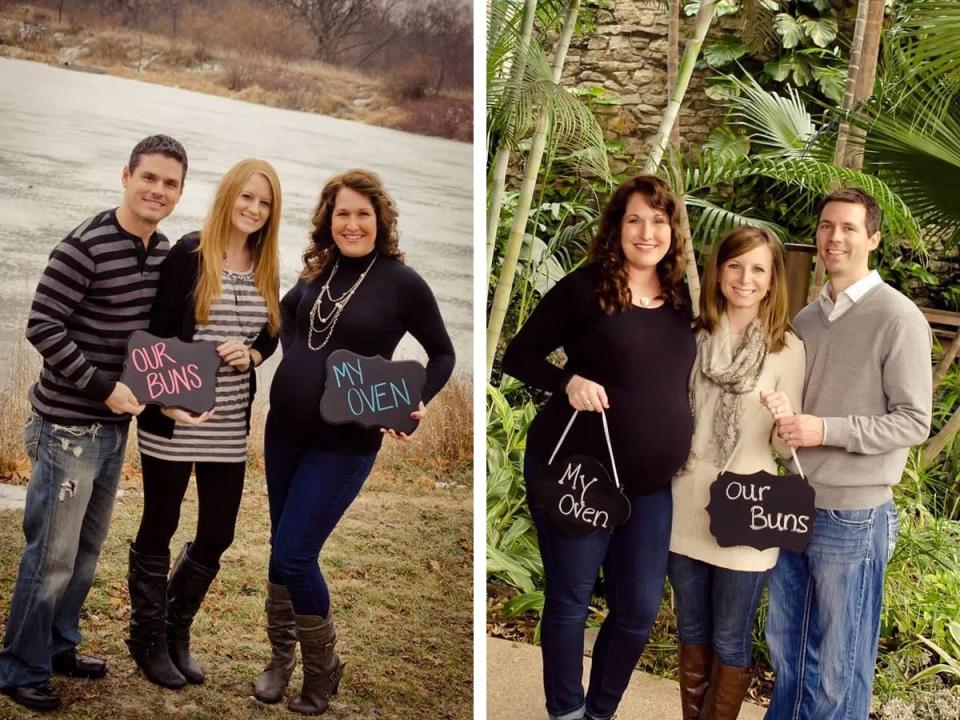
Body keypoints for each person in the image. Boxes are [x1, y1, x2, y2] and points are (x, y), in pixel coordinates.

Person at [254, 169, 455, 715]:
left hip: (344, 445)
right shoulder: (319, 269)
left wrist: (418, 398)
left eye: (363, 213)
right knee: (280, 548)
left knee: (296, 554)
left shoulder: (401, 282)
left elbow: (442, 353)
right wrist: (280, 354)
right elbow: (291, 318)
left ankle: (323, 672)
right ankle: (279, 661)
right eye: (342, 213)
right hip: (284, 433)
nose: (352, 223)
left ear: (380, 219)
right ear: (329, 219)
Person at [0, 135, 187, 712]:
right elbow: (42, 327)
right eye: (149, 177)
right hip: (67, 428)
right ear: (125, 175)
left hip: (114, 429)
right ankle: (19, 668)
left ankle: (58, 646)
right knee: (50, 554)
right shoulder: (83, 245)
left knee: (84, 551)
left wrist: (174, 392)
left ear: (180, 192)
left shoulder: (164, 251)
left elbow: (154, 341)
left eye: (171, 183)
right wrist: (104, 388)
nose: (158, 190)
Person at [502, 175, 697, 720]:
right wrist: (568, 381)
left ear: (672, 231)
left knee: (637, 609)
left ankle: (599, 712)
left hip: (651, 487)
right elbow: (519, 356)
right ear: (616, 227)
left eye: (658, 221)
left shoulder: (682, 299)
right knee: (570, 599)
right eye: (635, 219)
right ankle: (566, 710)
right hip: (578, 473)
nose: (647, 231)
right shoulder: (585, 288)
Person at [764, 188, 933, 720]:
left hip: (853, 514)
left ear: (873, 239)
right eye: (826, 226)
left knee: (841, 667)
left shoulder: (897, 317)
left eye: (849, 228)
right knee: (788, 655)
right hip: (792, 503)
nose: (834, 237)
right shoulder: (807, 320)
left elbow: (914, 421)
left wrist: (824, 429)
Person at [126, 159, 282, 689]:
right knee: (160, 524)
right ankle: (146, 641)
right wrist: (160, 402)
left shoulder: (265, 262)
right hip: (174, 417)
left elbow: (270, 335)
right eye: (246, 197)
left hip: (229, 422)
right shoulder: (189, 253)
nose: (253, 209)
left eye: (263, 202)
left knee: (218, 531)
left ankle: (174, 629)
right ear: (228, 197)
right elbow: (155, 335)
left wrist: (255, 356)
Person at [668, 226, 805, 720]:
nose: (745, 279)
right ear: (718, 271)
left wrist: (785, 416)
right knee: (692, 630)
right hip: (684, 501)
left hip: (748, 507)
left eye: (758, 269)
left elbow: (783, 448)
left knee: (729, 636)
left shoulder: (787, 349)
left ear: (772, 281)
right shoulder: (694, 337)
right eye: (735, 266)